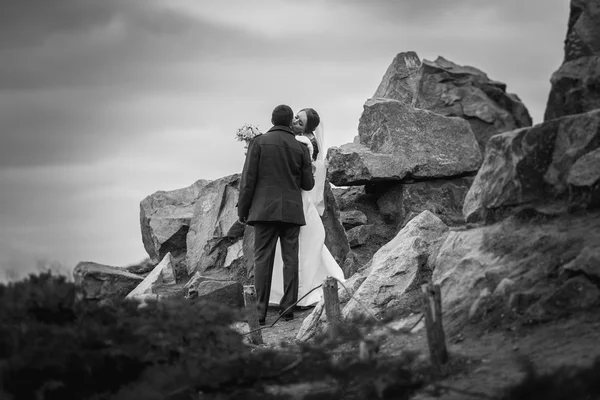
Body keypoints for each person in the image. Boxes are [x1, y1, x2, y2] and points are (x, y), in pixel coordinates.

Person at [237, 104, 315, 325]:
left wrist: (243, 210)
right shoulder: (300, 147)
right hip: (291, 210)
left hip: (263, 211)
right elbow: (308, 184)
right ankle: (288, 309)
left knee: (263, 259)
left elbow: (248, 181)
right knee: (291, 259)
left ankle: (259, 313)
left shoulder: (258, 142)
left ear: (272, 120)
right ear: (290, 121)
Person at [269, 108, 346, 314]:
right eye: (296, 117)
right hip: (295, 202)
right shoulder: (296, 139)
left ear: (308, 131)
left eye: (300, 122)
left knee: (300, 247)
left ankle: (297, 292)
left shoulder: (302, 143)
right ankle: (287, 292)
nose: (295, 122)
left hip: (296, 201)